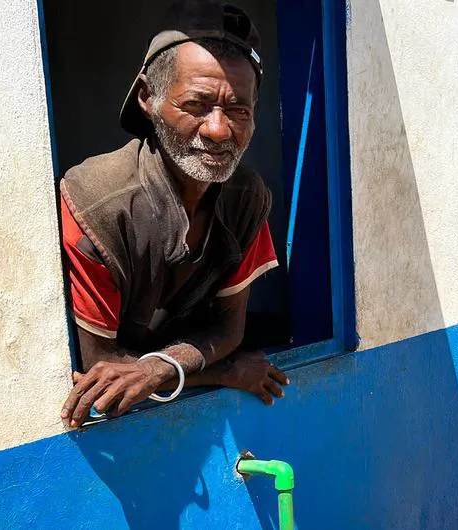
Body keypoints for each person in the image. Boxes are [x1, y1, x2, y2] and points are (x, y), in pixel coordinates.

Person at [58, 0, 288, 429]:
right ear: (148, 97)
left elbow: (228, 331)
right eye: (197, 105)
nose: (219, 130)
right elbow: (105, 373)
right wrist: (222, 372)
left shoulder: (247, 196)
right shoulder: (94, 202)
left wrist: (155, 371)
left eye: (239, 110)